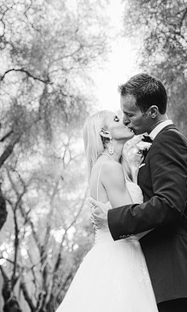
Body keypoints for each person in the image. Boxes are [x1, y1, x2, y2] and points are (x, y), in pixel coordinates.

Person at [91, 73, 187, 312]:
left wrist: (112, 219)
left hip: (175, 273)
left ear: (152, 112)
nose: (126, 121)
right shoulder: (156, 145)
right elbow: (170, 201)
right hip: (164, 275)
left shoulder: (168, 142)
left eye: (129, 114)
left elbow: (169, 205)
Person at [56, 110, 158, 312]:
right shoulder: (110, 168)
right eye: (117, 119)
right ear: (104, 132)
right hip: (120, 259)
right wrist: (177, 202)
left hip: (110, 255)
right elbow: (134, 226)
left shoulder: (108, 166)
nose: (126, 121)